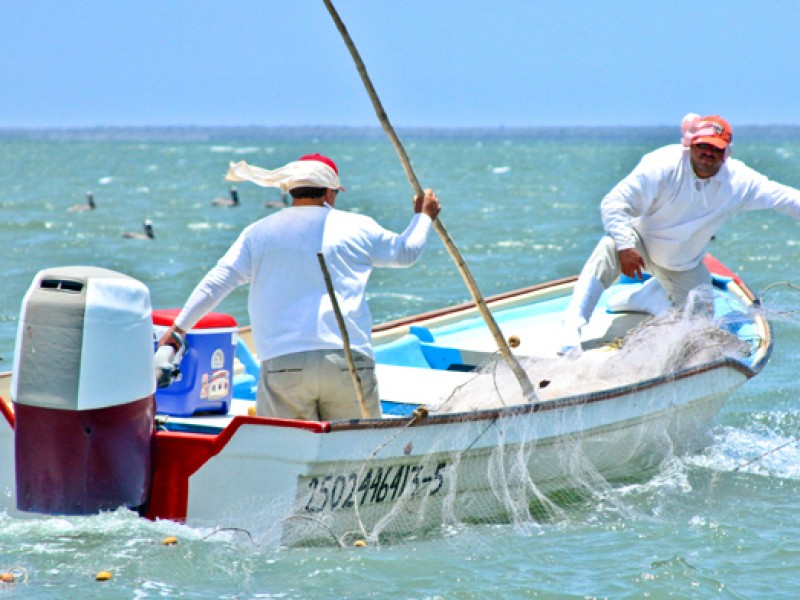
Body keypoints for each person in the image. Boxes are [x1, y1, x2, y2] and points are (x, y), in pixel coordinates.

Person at [158, 153, 441, 420]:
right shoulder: (358, 226)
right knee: (357, 451)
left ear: (290, 190)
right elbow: (406, 253)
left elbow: (217, 282)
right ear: (331, 192)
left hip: (284, 364)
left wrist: (178, 328)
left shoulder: (259, 232)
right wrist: (423, 216)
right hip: (348, 362)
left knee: (286, 446)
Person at [560, 113, 800, 352]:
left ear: (727, 152)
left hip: (682, 265)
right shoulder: (662, 163)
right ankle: (572, 327)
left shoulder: (740, 181)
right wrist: (625, 246)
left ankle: (647, 297)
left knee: (698, 331)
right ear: (691, 145)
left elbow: (788, 199)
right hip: (639, 246)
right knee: (609, 246)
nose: (707, 152)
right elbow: (613, 202)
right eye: (702, 145)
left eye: (716, 148)